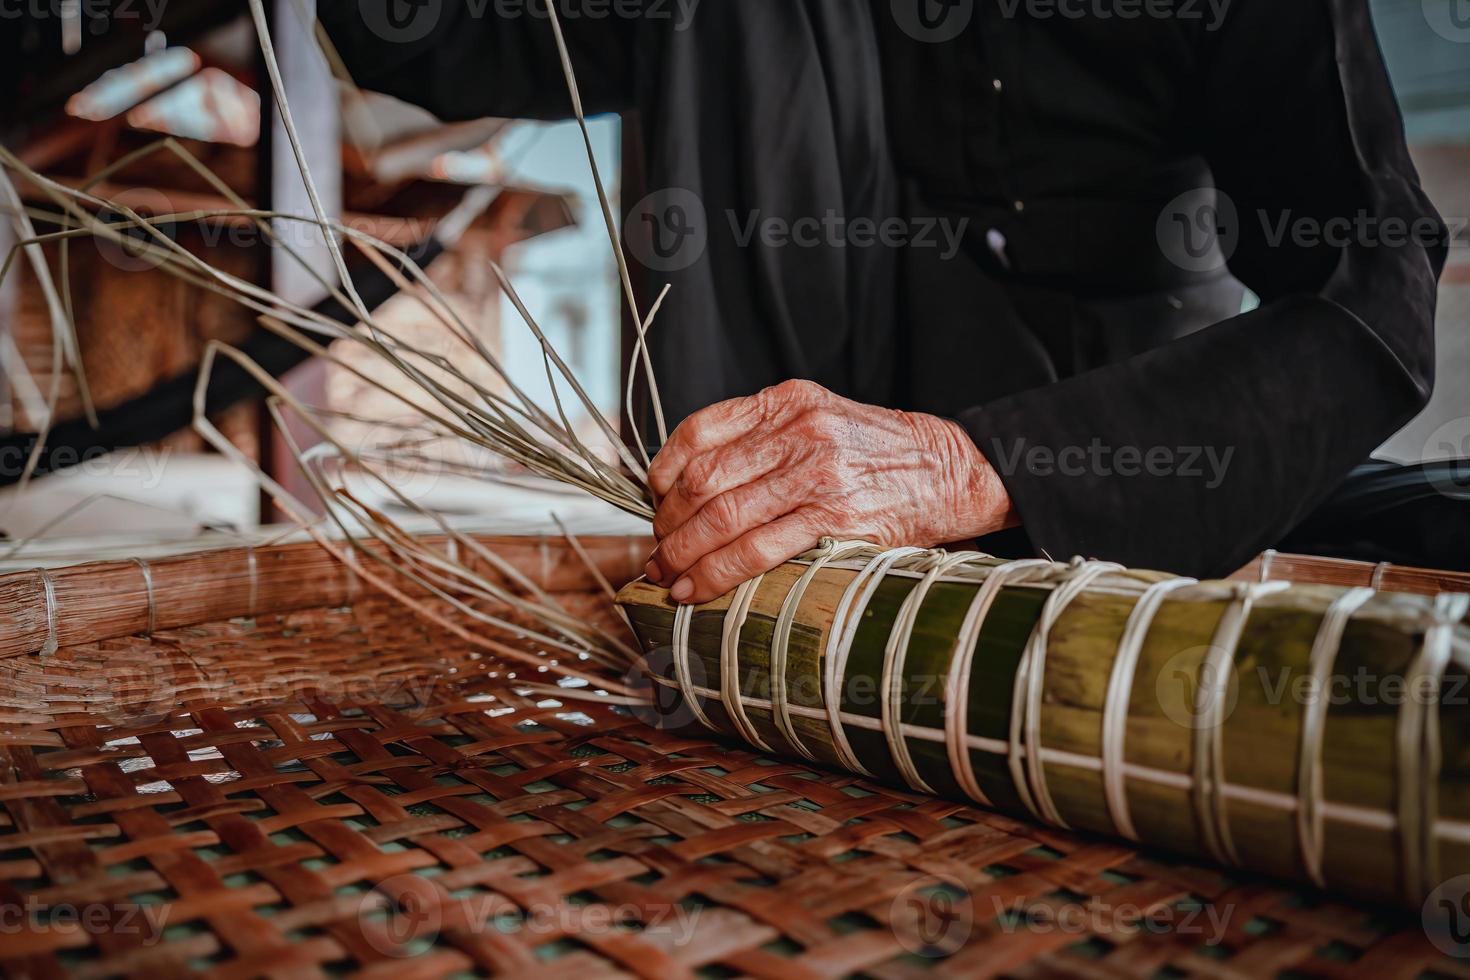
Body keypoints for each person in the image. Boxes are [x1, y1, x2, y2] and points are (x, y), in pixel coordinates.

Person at [320, 0, 1448, 602]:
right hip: (798, 486)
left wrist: (970, 467)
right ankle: (747, 614)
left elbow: (1377, 295)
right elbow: (441, 41)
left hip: (1114, 470)